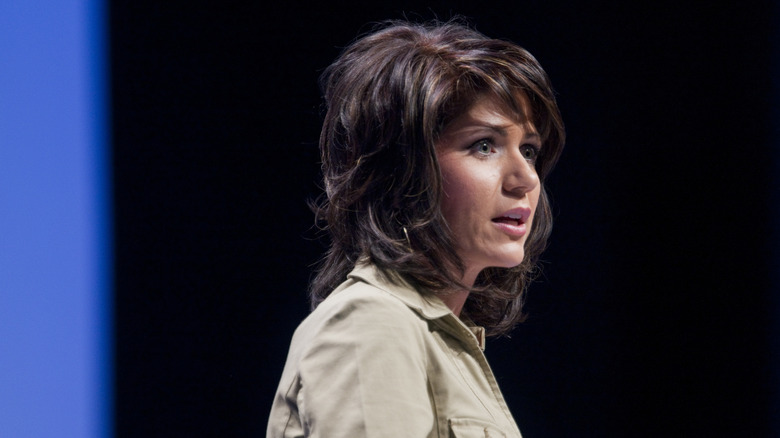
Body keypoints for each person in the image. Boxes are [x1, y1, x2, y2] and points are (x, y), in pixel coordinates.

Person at [267, 19, 565, 437]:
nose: (526, 179)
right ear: (403, 171)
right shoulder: (371, 325)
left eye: (529, 150)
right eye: (484, 145)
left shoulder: (436, 338)